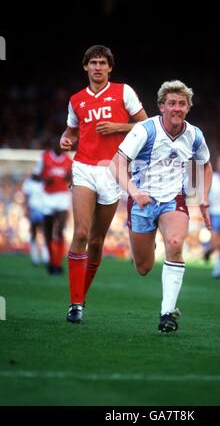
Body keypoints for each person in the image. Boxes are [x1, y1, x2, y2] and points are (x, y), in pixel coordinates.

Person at [110, 80, 213, 333]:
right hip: (141, 200)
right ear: (161, 106)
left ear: (188, 107)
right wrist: (134, 191)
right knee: (143, 267)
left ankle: (167, 314)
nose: (176, 108)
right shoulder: (145, 130)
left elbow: (206, 165)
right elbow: (116, 164)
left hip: (173, 200)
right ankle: (147, 243)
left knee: (176, 244)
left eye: (182, 103)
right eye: (171, 103)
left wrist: (203, 198)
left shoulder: (195, 134)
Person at [60, 44, 147, 323]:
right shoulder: (76, 100)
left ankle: (81, 297)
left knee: (97, 241)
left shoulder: (124, 92)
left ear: (110, 67)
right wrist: (67, 139)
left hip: (112, 170)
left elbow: (148, 125)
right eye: (93, 63)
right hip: (84, 167)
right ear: (85, 67)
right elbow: (71, 130)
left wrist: (118, 128)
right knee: (81, 234)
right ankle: (74, 305)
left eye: (102, 63)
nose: (97, 67)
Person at [33, 141, 72, 275]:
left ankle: (58, 263)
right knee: (48, 232)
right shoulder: (44, 157)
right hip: (47, 197)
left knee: (60, 230)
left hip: (62, 197)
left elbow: (70, 178)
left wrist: (69, 177)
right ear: (54, 145)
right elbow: (35, 175)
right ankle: (50, 262)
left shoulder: (68, 160)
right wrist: (45, 179)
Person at [22, 174, 49, 266]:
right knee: (33, 231)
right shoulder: (29, 182)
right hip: (33, 208)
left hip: (44, 208)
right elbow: (26, 196)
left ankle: (45, 256)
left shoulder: (45, 181)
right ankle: (34, 256)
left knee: (45, 232)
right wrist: (26, 209)